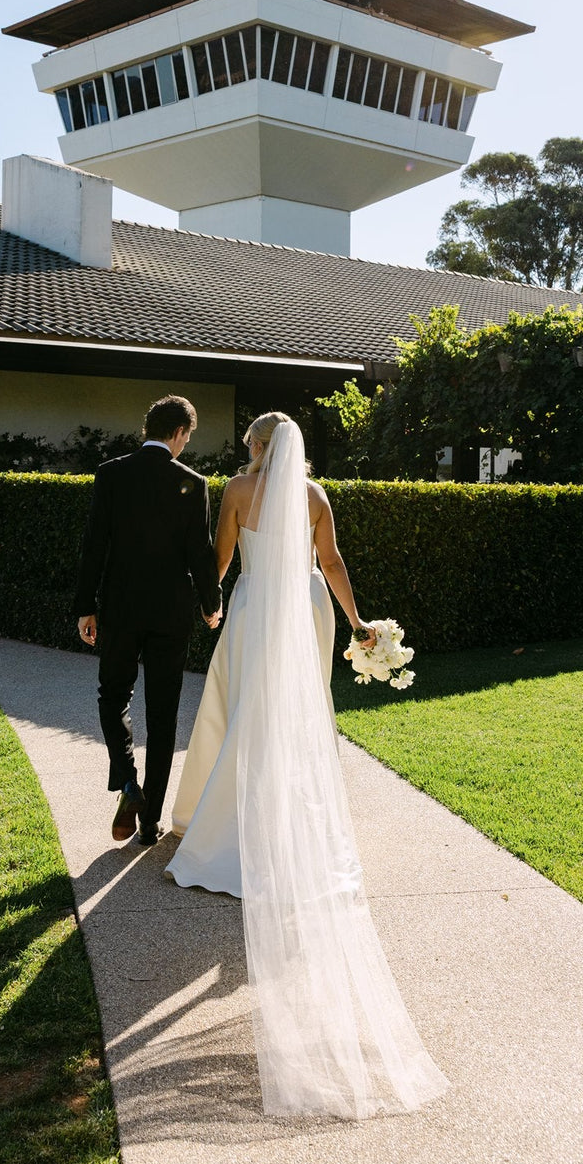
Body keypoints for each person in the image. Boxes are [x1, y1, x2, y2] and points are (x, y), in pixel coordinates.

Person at [166, 413, 450, 1120]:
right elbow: (333, 564)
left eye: (249, 444)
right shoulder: (318, 496)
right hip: (308, 610)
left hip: (260, 606)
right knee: (296, 716)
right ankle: (293, 822)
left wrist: (211, 607)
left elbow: (223, 558)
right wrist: (355, 622)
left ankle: (228, 829)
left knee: (246, 714)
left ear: (257, 447)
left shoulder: (236, 489)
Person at [74, 395, 222, 846]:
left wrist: (86, 605)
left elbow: (94, 544)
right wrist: (210, 602)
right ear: (178, 431)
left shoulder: (111, 474)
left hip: (120, 609)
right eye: (188, 436)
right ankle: (150, 821)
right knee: (163, 713)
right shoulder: (193, 483)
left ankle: (128, 782)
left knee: (112, 695)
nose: (185, 445)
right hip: (171, 614)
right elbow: (201, 551)